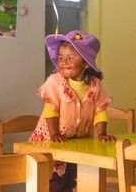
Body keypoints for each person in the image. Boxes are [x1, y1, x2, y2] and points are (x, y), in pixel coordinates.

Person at [29, 30, 115, 192]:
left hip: (77, 144)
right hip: (51, 142)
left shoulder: (95, 85)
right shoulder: (56, 83)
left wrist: (102, 133)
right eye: (60, 57)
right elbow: (51, 110)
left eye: (70, 57)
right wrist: (54, 133)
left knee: (72, 180)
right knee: (54, 181)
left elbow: (100, 111)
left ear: (86, 63)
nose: (64, 62)